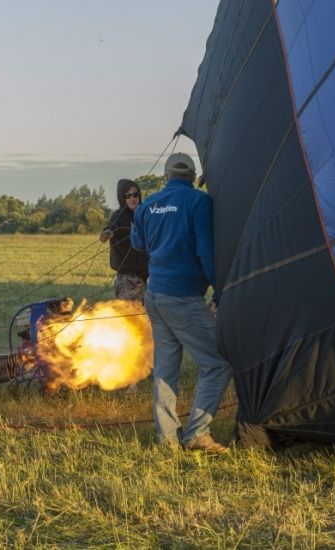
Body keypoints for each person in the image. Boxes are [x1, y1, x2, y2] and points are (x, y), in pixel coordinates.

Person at [130, 152, 233, 453]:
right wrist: (220, 287)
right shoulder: (199, 202)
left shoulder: (148, 205)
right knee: (219, 361)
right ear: (192, 176)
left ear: (166, 176)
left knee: (166, 368)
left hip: (155, 296)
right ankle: (197, 433)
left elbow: (138, 244)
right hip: (183, 296)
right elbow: (205, 250)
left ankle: (167, 440)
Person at [100, 178, 149, 302]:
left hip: (145, 277)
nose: (132, 198)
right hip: (128, 279)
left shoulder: (144, 214)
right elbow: (113, 227)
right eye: (127, 196)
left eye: (135, 194)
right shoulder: (120, 216)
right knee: (131, 317)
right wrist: (108, 232)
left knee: (145, 317)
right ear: (122, 198)